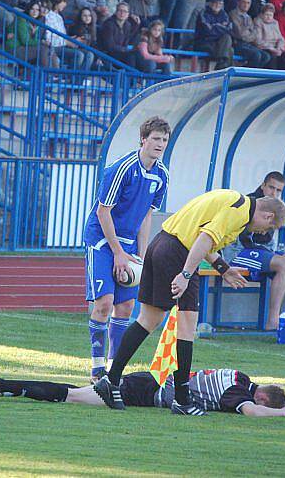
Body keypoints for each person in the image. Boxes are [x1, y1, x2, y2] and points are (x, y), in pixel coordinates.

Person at [94, 189, 285, 414]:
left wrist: (223, 268)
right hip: (178, 253)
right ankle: (182, 399)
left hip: (160, 244)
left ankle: (111, 379)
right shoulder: (240, 211)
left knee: (149, 319)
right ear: (268, 217)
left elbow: (200, 238)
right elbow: (204, 240)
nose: (265, 232)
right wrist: (185, 274)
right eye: (269, 228)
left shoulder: (233, 198)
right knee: (186, 326)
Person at [83, 117, 170, 382]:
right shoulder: (122, 169)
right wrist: (118, 252)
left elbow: (146, 216)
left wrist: (142, 256)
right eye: (156, 138)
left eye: (164, 140)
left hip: (130, 245)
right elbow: (102, 211)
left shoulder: (162, 175)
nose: (160, 144)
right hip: (102, 240)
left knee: (126, 306)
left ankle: (112, 368)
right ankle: (97, 367)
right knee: (104, 303)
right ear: (143, 139)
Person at [0, 369, 285, 417]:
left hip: (148, 381)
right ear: (262, 397)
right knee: (69, 396)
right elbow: (251, 412)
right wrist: (282, 413)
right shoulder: (237, 393)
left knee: (69, 393)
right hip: (144, 390)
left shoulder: (239, 375)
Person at [230, 173, 285, 330]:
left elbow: (267, 241)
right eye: (271, 187)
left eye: (278, 190)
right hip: (240, 251)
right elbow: (243, 238)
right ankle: (273, 322)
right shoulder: (250, 202)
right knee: (284, 264)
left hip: (261, 251)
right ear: (263, 185)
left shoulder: (277, 207)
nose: (274, 193)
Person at [44, 0, 94, 74]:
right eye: (63, 2)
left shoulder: (59, 17)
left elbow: (63, 36)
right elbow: (49, 38)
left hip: (63, 45)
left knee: (90, 55)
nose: (65, 4)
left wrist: (72, 39)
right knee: (79, 55)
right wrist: (68, 42)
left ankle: (79, 82)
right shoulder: (47, 16)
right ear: (57, 1)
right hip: (54, 48)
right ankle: (71, 80)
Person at [229, 0, 271, 68]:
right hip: (237, 44)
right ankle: (247, 77)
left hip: (248, 45)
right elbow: (240, 34)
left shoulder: (248, 17)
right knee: (256, 55)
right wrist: (249, 33)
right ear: (238, 2)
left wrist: (248, 34)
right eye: (244, 2)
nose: (246, 5)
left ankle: (251, 74)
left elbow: (255, 34)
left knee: (266, 56)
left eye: (248, 3)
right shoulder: (233, 14)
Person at [194, 0, 234, 70]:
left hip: (218, 43)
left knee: (228, 39)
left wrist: (215, 26)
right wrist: (220, 27)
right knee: (229, 50)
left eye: (220, 3)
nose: (217, 5)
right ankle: (221, 68)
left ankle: (221, 65)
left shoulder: (224, 14)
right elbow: (208, 31)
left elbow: (229, 30)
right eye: (215, 3)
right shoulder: (203, 13)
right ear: (210, 3)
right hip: (203, 42)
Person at [6, 1, 49, 66]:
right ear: (28, 9)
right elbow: (25, 40)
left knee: (49, 49)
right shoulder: (21, 18)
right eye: (32, 9)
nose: (35, 12)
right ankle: (48, 74)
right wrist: (41, 42)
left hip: (27, 47)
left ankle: (54, 74)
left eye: (37, 10)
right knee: (42, 49)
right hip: (15, 48)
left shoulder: (37, 21)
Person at [98, 1, 141, 67]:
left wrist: (136, 25)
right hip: (108, 54)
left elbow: (128, 40)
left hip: (121, 53)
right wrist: (125, 49)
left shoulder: (127, 25)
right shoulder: (109, 24)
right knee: (130, 57)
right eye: (120, 10)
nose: (122, 13)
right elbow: (110, 46)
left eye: (125, 11)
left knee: (138, 56)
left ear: (128, 14)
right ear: (116, 12)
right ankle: (131, 76)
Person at [254, 3, 285, 69]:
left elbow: (281, 38)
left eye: (270, 15)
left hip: (275, 48)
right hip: (265, 48)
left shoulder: (275, 23)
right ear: (262, 15)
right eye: (266, 15)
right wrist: (271, 48)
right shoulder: (258, 22)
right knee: (272, 57)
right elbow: (258, 40)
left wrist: (279, 48)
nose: (268, 17)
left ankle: (283, 76)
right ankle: (271, 77)